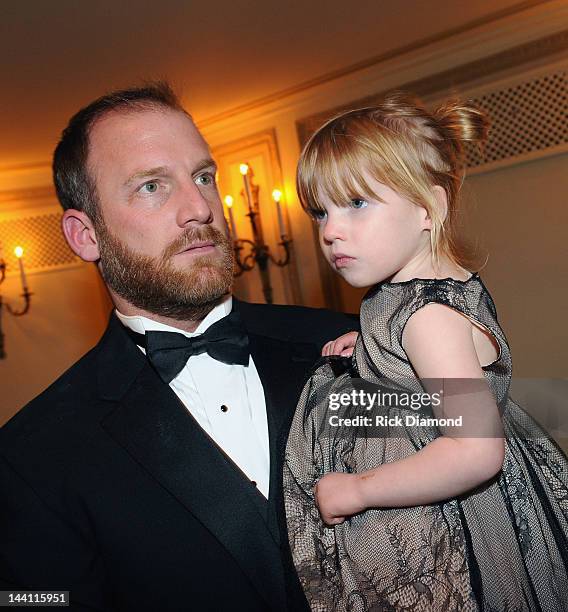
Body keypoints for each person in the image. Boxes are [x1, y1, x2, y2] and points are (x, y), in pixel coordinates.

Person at [0, 83, 358, 611]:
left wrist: (455, 346)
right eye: (151, 186)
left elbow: (477, 435)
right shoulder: (32, 455)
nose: (199, 208)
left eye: (203, 177)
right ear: (85, 236)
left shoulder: (346, 341)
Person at [284, 93, 568, 611]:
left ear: (428, 208)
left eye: (357, 203)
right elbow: (434, 375)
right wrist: (372, 351)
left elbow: (475, 451)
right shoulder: (421, 297)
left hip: (464, 526)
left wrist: (360, 490)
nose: (330, 231)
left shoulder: (426, 317)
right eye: (320, 211)